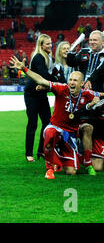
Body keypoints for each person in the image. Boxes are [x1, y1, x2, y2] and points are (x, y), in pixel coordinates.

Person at [9, 56, 101, 179]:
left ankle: (75, 159)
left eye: (75, 80)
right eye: (71, 79)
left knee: (72, 172)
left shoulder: (87, 94)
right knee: (50, 132)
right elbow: (41, 80)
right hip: (56, 128)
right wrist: (24, 69)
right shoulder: (62, 88)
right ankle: (49, 169)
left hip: (71, 134)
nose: (72, 82)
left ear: (82, 83)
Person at [23, 34, 54, 162]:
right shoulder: (38, 57)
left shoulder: (47, 57)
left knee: (47, 122)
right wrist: (57, 80)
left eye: (51, 42)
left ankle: (41, 150)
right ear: (41, 45)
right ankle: (28, 153)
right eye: (47, 43)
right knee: (33, 124)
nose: (50, 45)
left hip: (41, 94)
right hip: (32, 94)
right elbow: (45, 75)